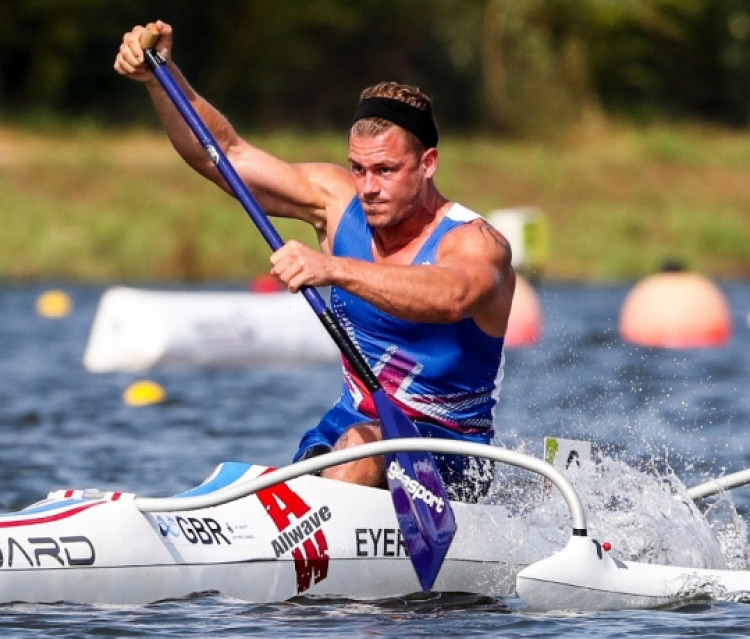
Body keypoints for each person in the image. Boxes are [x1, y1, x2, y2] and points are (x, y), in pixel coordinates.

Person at [114, 20, 516, 502]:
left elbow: (452, 297)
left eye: (386, 171)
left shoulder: (476, 242)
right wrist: (163, 79)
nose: (368, 187)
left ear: (428, 164)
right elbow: (222, 155)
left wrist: (334, 269)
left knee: (363, 449)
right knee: (343, 453)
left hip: (453, 454)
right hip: (346, 434)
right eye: (359, 169)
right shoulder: (336, 201)